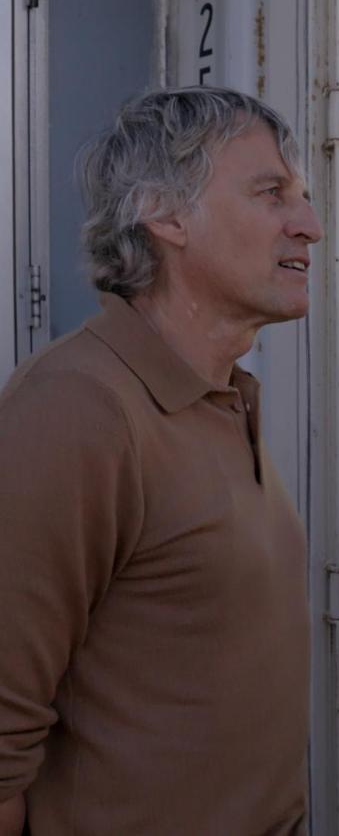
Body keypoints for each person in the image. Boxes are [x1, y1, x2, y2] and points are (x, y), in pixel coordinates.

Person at [0, 87, 322, 834]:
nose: (309, 224)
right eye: (271, 192)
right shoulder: (79, 407)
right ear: (167, 216)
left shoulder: (226, 397)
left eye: (301, 197)